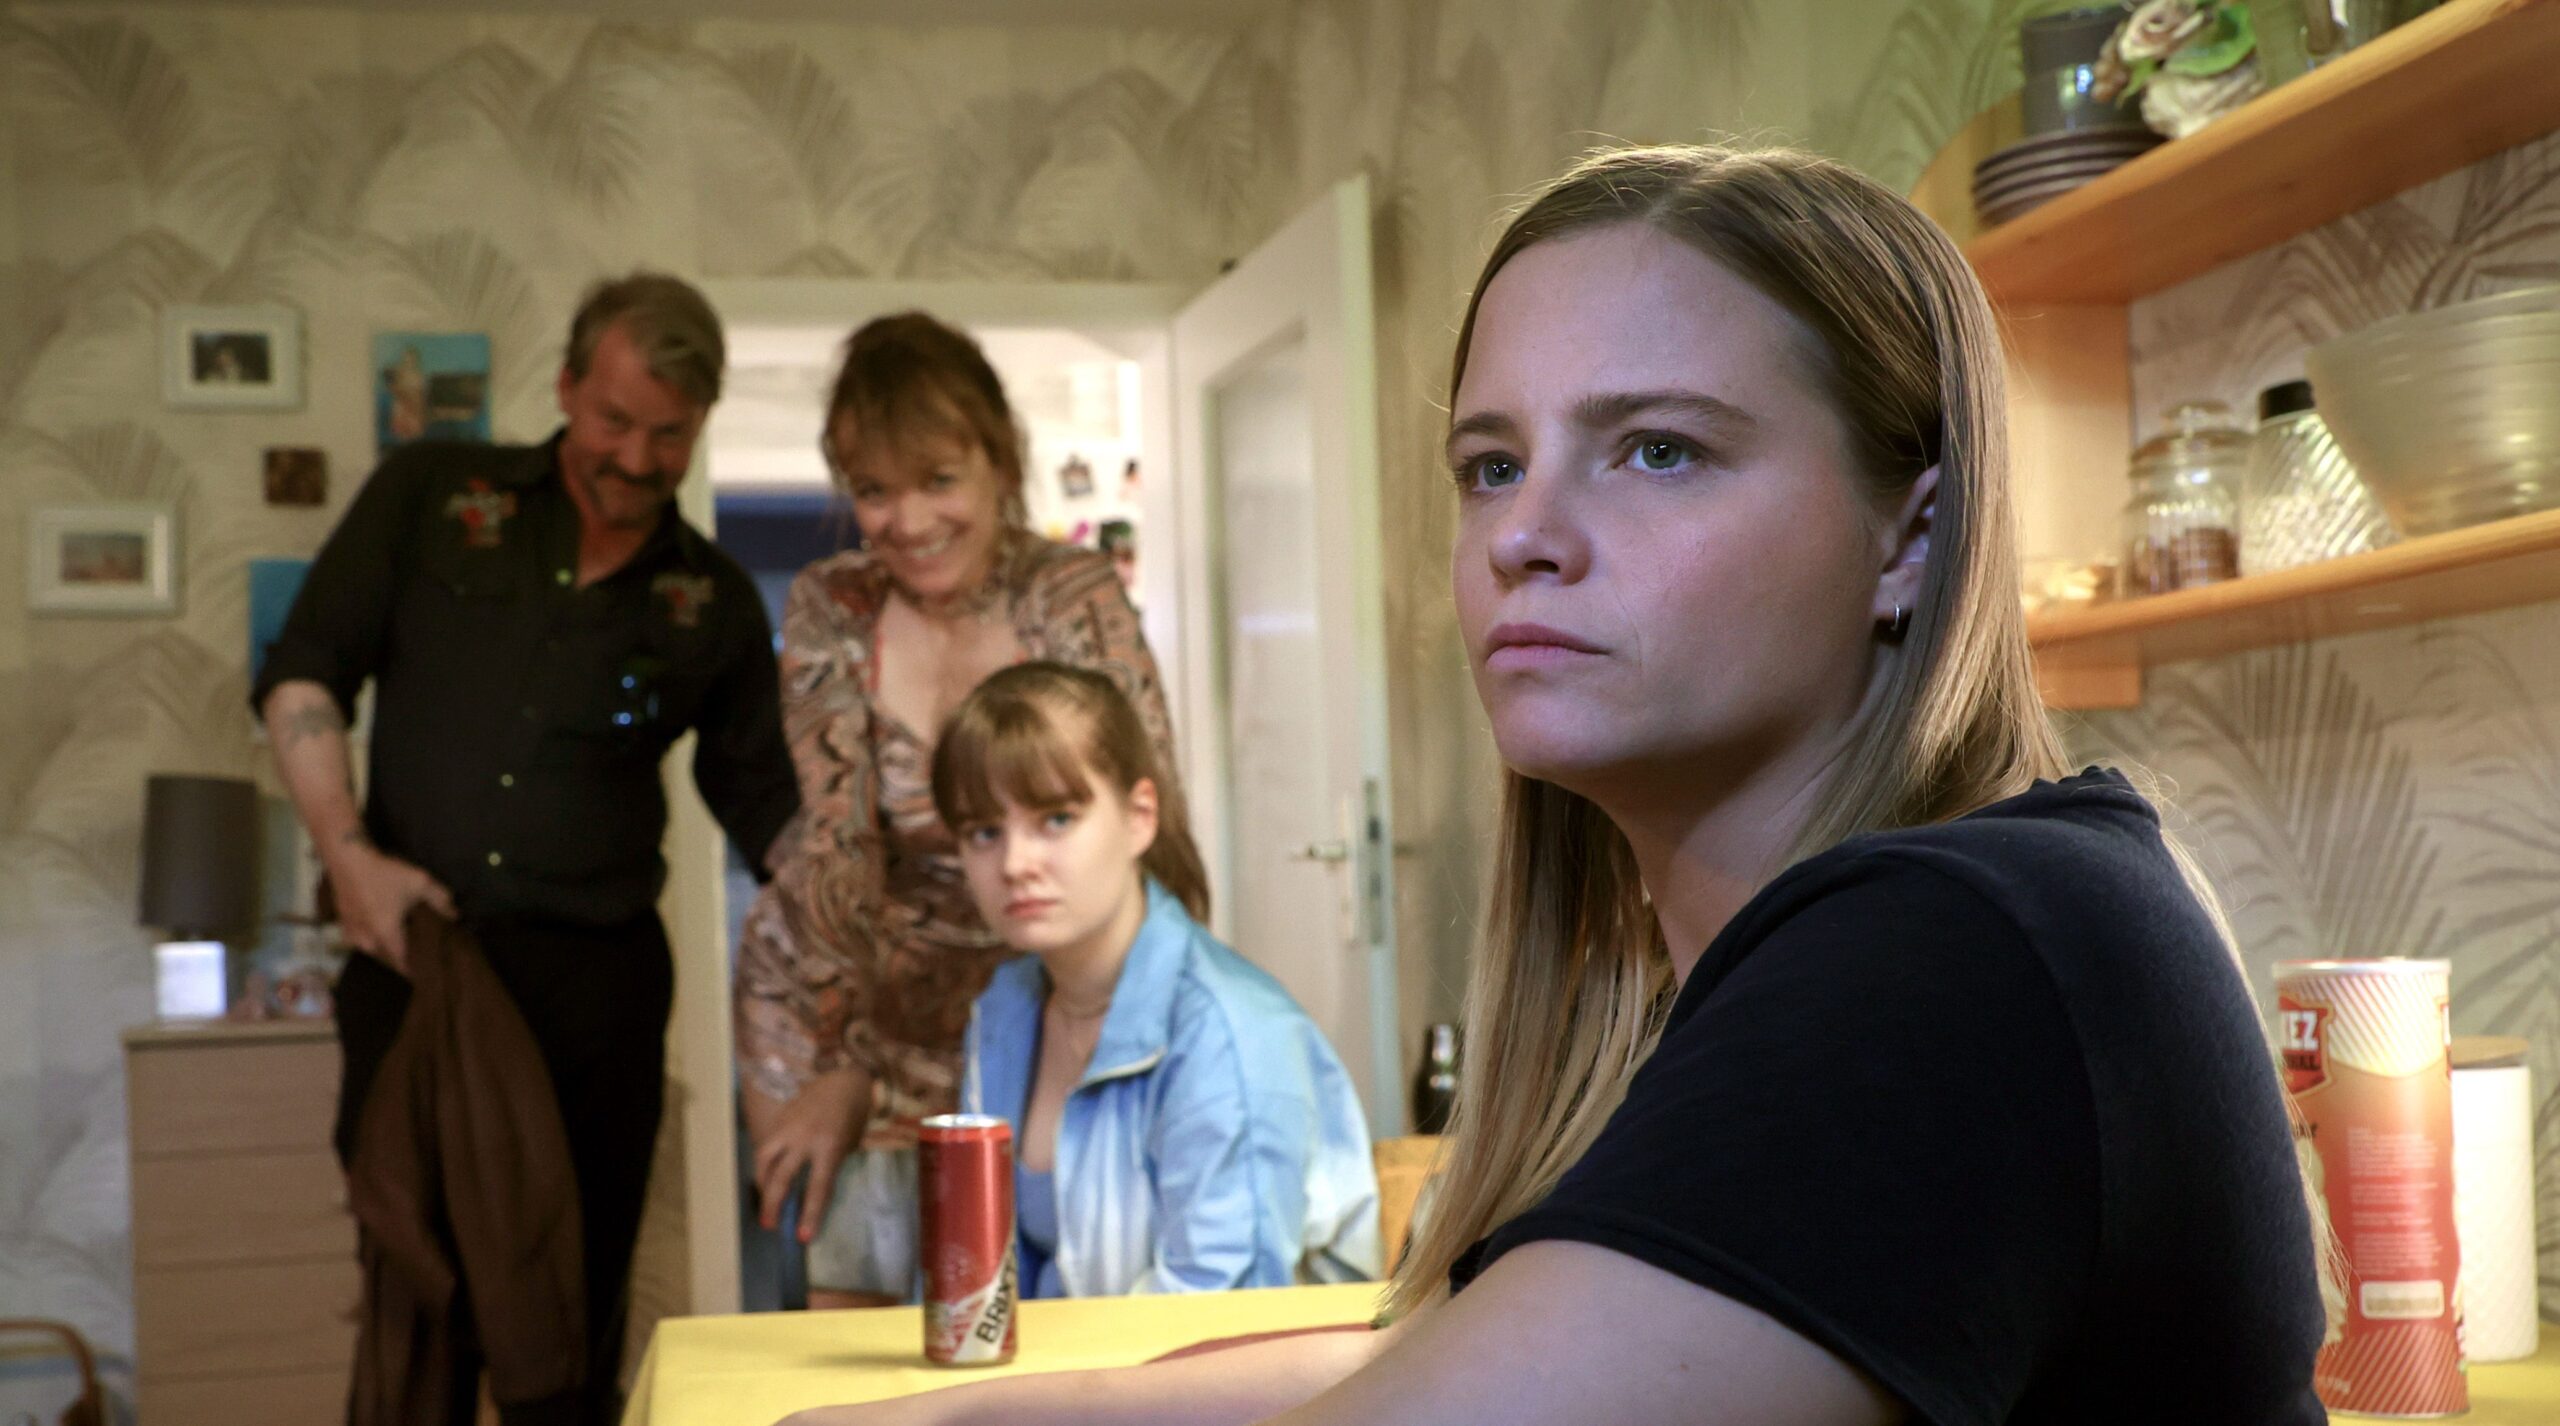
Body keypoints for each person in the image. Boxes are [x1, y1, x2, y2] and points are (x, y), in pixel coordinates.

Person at [780, 144, 2329, 1426]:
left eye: (1657, 450)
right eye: (1492, 464)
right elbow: (1414, 1362)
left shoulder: (1961, 944)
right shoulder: (1722, 991)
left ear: (1907, 538)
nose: (1523, 533)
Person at [255, 272, 800, 1425]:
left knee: (567, 1318)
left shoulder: (710, 600)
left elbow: (770, 809)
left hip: (594, 999)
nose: (637, 459)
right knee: (416, 1298)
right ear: (564, 387)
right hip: (417, 964)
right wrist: (349, 860)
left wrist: (879, 911)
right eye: (614, 420)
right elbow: (304, 672)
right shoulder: (430, 495)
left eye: (669, 435)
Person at [735, 312, 1183, 1308]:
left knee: (1034, 1302)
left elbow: (1149, 825)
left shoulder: (1069, 593)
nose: (907, 521)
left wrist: (1156, 1021)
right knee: (853, 1304)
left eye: (938, 479)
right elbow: (839, 842)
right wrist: (846, 1063)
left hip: (1036, 994)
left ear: (999, 461)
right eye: (874, 491)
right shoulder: (831, 604)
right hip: (845, 994)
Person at [937, 663, 1379, 1298]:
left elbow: (1219, 1320)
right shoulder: (1004, 1011)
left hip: (1241, 1362)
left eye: (1056, 819)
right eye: (984, 832)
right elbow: (978, 1281)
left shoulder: (1227, 1032)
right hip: (1065, 1361)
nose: (1015, 863)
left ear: (1139, 817)